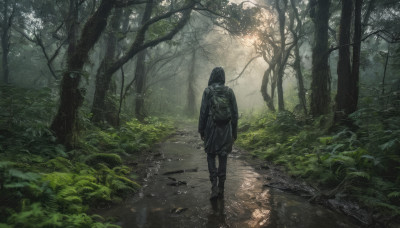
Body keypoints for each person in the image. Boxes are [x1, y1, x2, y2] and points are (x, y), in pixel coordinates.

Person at [198, 67, 238, 200]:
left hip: (211, 127)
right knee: (223, 156)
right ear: (223, 77)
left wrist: (201, 129)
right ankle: (222, 188)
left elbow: (203, 112)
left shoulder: (208, 91)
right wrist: (234, 132)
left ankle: (213, 187)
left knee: (210, 155)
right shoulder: (229, 92)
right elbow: (235, 114)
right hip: (226, 129)